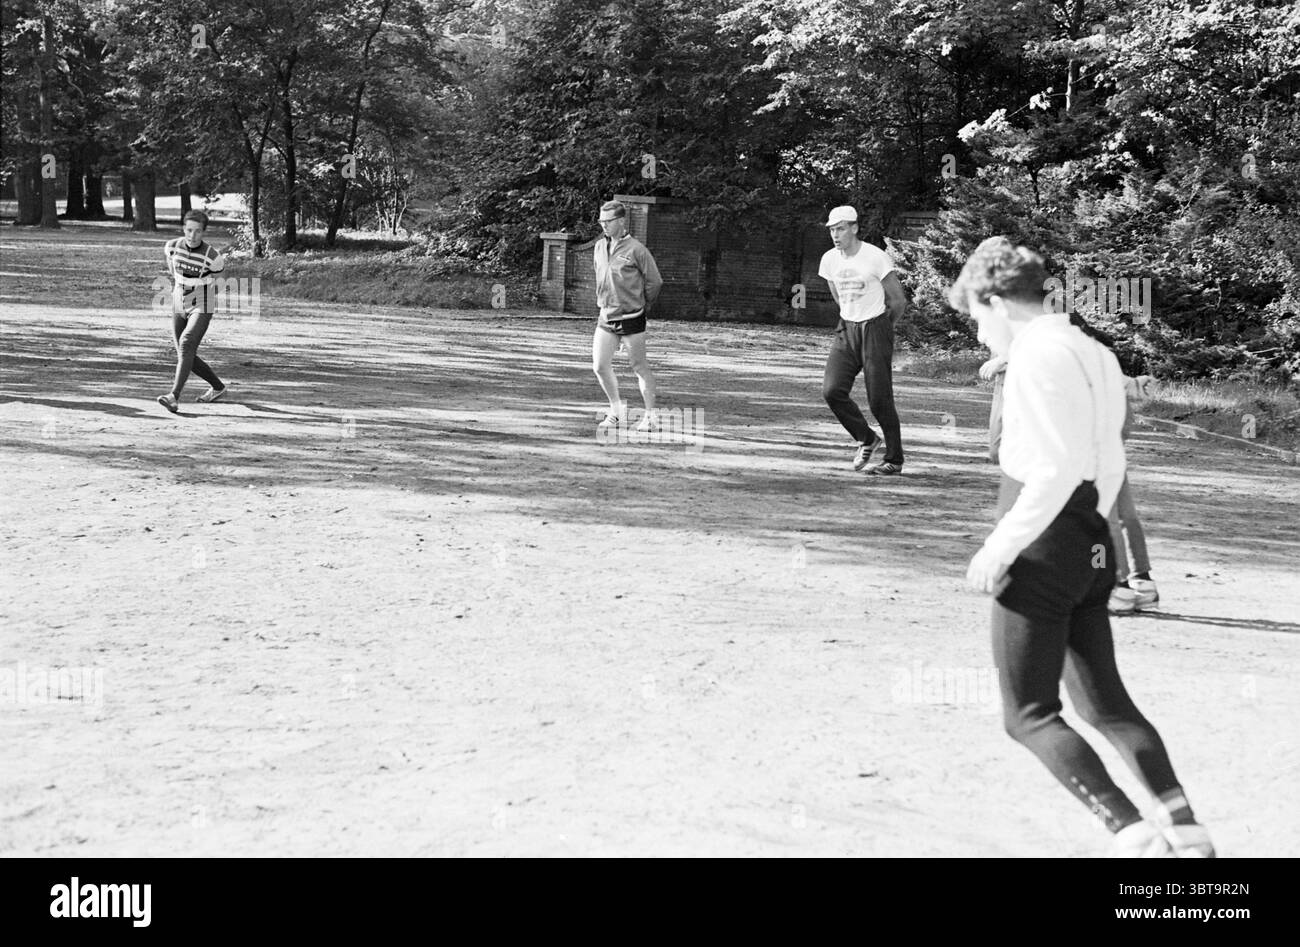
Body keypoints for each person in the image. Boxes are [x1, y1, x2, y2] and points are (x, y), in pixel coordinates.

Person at [955, 237, 1213, 857]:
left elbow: (1054, 469)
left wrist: (1000, 546)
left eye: (978, 320)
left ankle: (1134, 836)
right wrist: (1094, 532)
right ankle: (1186, 830)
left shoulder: (1038, 356)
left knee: (1029, 715)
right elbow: (1111, 460)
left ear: (996, 300)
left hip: (1043, 543)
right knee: (1107, 706)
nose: (983, 337)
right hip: (1090, 542)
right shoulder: (1094, 351)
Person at [983, 345, 1160, 614]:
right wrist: (1132, 384)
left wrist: (1006, 360)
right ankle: (1143, 582)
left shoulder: (1035, 350)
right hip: (1108, 434)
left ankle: (1115, 584)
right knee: (1123, 513)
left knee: (1103, 520)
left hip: (1084, 442)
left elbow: (998, 443)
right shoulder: (1086, 347)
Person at [817, 206, 907, 475]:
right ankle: (866, 438)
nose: (836, 234)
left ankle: (894, 459)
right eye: (832, 229)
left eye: (841, 228)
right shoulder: (829, 260)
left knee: (879, 398)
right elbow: (838, 296)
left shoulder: (875, 257)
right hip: (847, 328)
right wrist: (851, 320)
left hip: (875, 327)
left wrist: (884, 328)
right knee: (832, 390)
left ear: (854, 228)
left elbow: (898, 300)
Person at [592, 200, 662, 433]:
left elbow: (655, 281)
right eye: (602, 221)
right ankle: (616, 411)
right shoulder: (599, 247)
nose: (604, 226)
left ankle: (650, 417)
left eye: (609, 221)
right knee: (600, 366)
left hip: (632, 316)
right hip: (606, 315)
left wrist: (642, 302)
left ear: (621, 221)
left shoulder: (637, 249)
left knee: (639, 366)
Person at [158, 210, 228, 413]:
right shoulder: (172, 247)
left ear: (204, 232)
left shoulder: (212, 256)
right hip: (179, 300)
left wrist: (203, 295)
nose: (192, 235)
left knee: (187, 342)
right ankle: (218, 388)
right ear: (183, 229)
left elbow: (221, 280)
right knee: (184, 352)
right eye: (189, 230)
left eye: (197, 231)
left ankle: (173, 396)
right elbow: (172, 269)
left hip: (202, 302)